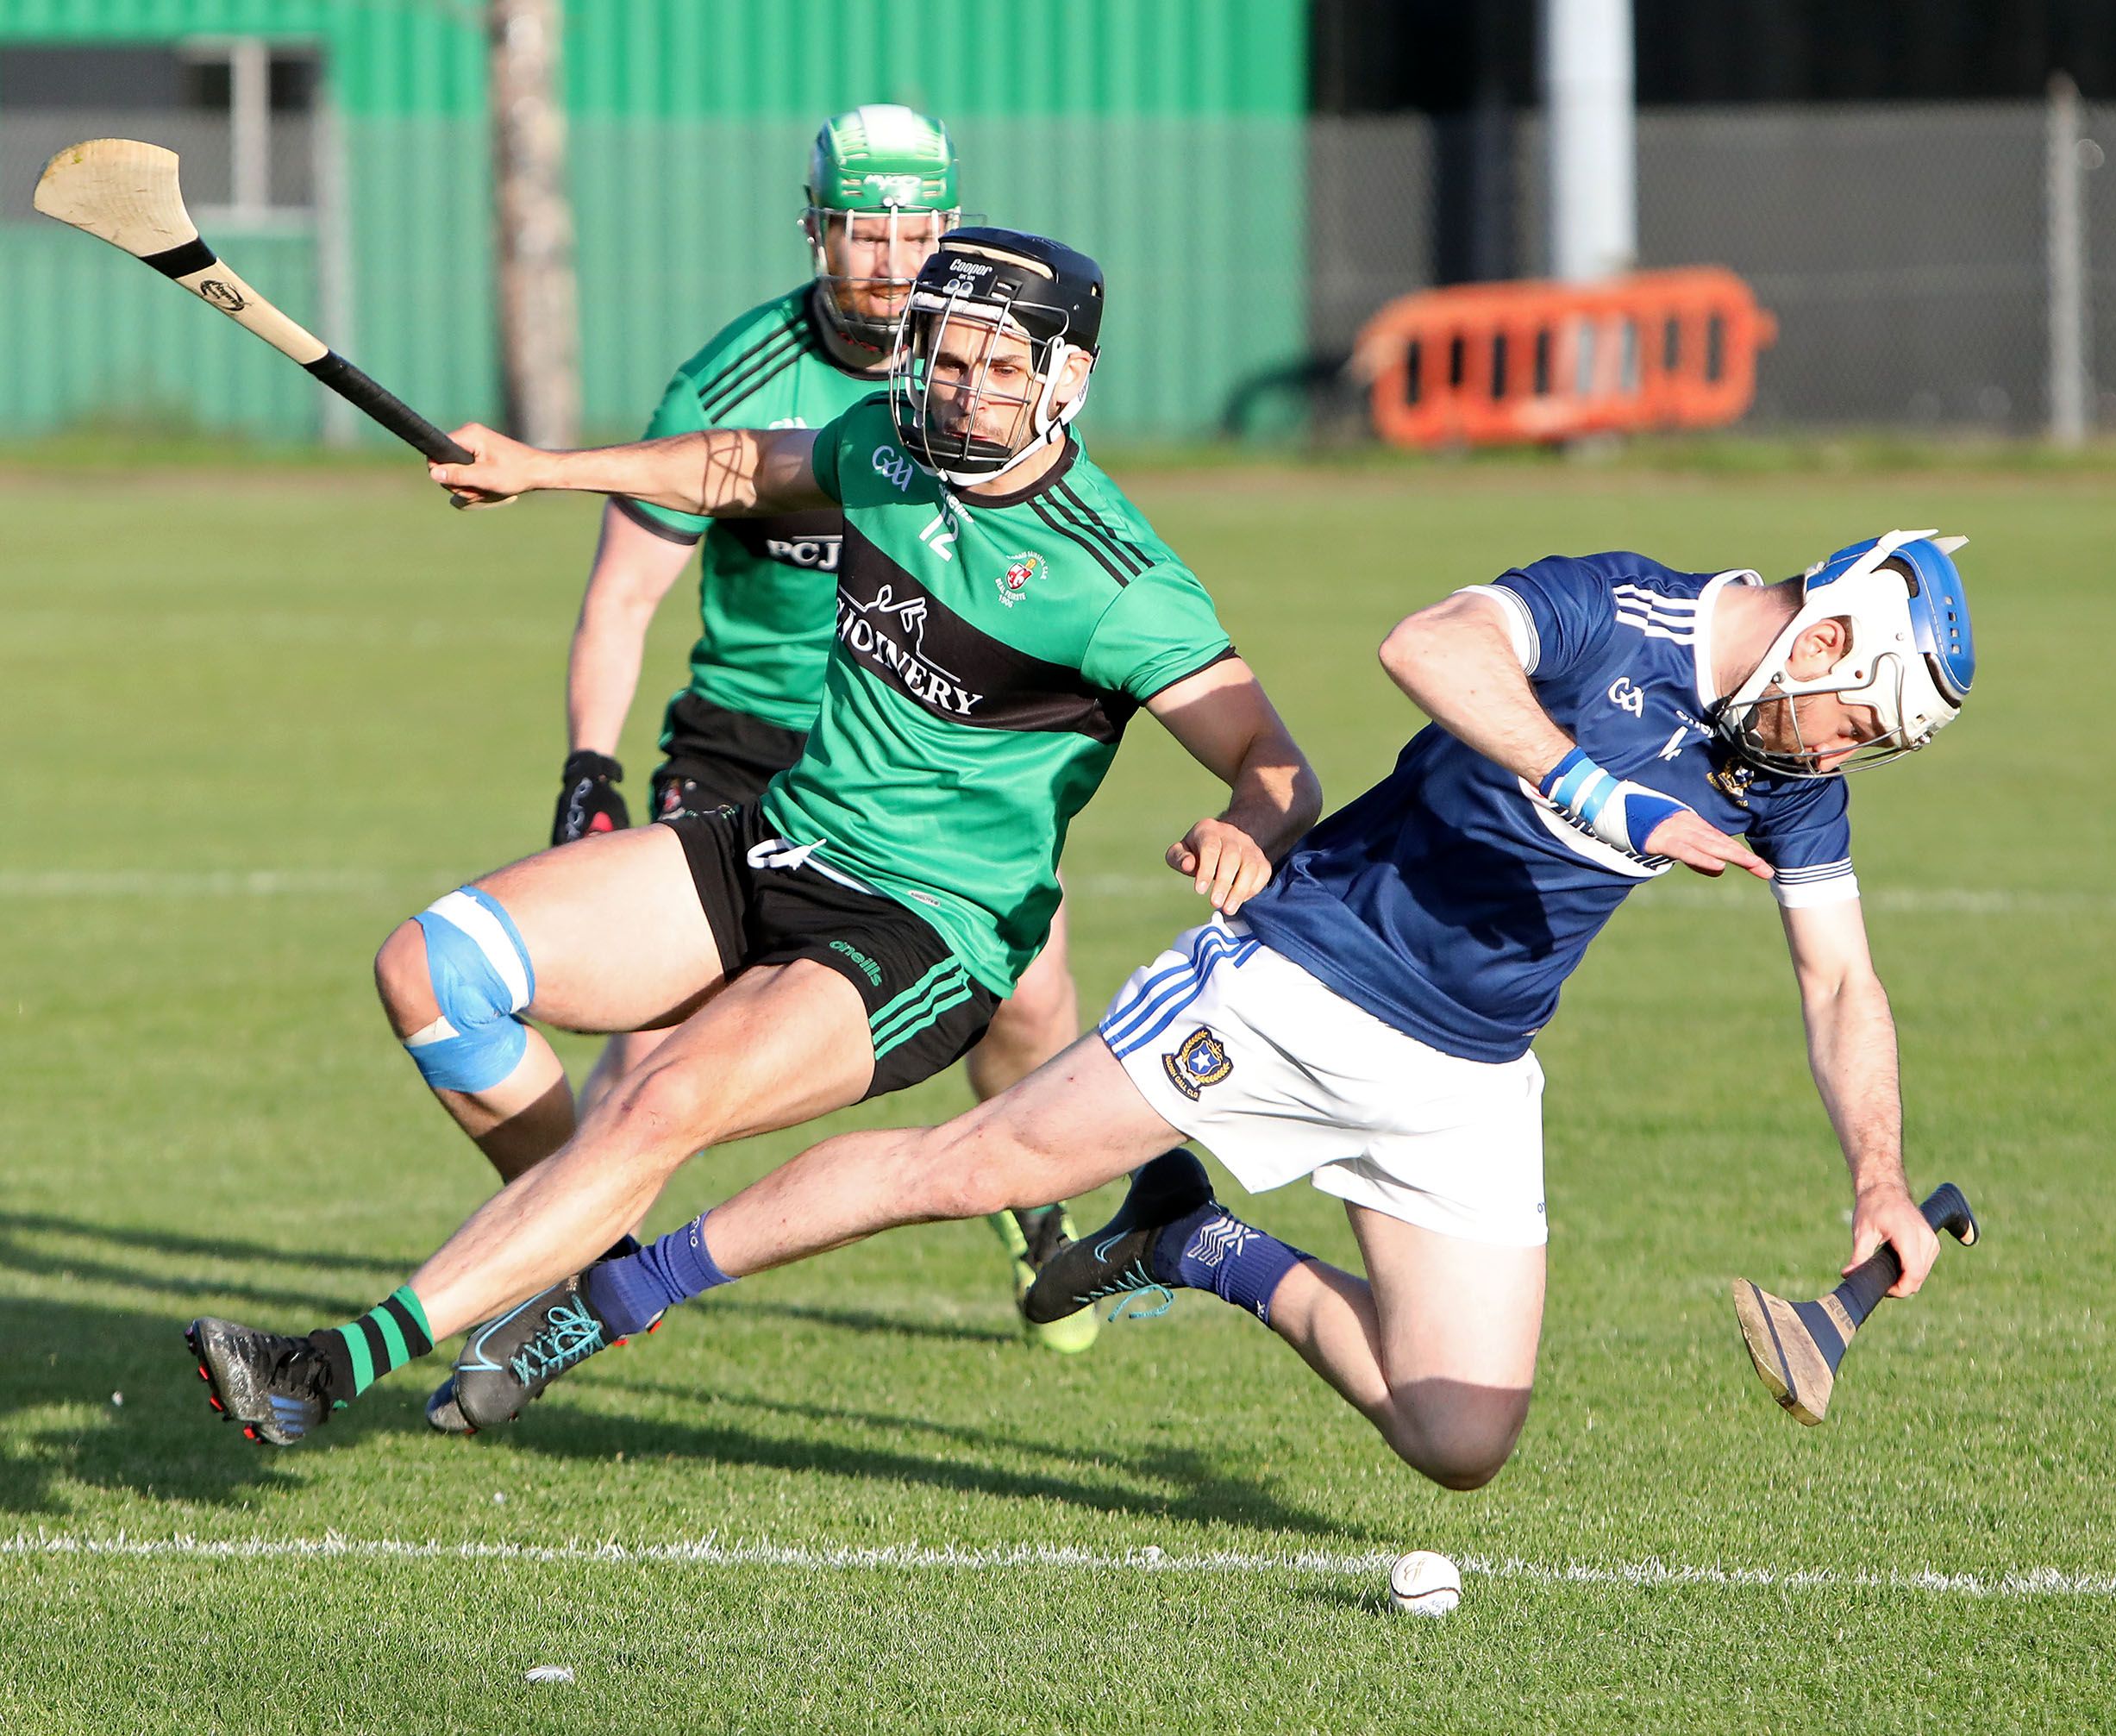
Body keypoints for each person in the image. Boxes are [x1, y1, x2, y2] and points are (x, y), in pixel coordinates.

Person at [280, 529, 1974, 1489]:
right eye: (1862, 722)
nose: (1847, 756)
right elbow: (1428, 646)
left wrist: (1877, 1179)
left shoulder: (1783, 777)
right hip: (1298, 980)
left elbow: (1840, 979)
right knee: (967, 1170)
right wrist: (1593, 793)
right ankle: (614, 1292)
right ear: (1825, 641)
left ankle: (1196, 1245)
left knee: (1459, 1436)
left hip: (1470, 1069)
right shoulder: (1617, 609)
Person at [185, 226, 1320, 1446]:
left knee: (657, 1099)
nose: (965, 392)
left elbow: (1275, 761)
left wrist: (1246, 825)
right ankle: (594, 1249)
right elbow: (739, 466)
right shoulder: (888, 450)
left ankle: (326, 1366)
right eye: (947, 359)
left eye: (1002, 368)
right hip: (779, 837)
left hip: (927, 928)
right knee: (433, 967)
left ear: (1069, 379)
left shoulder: (1121, 584)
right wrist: (542, 468)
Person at [542, 105, 1095, 1353]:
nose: (892, 261)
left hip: (926, 744)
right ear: (814, 232)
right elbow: (620, 598)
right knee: (650, 1044)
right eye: (862, 232)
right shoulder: (729, 382)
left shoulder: (990, 379)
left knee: (1032, 995)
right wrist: (590, 762)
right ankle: (563, 1272)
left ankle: (1037, 1212)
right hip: (750, 742)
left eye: (917, 232)